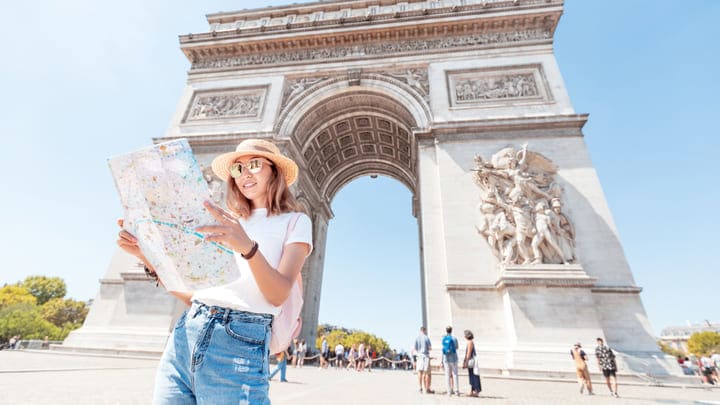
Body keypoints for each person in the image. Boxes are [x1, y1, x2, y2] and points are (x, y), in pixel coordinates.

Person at [116, 138, 313, 404]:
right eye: (237, 169)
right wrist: (147, 256)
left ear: (274, 170)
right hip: (184, 339)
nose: (245, 174)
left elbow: (278, 294)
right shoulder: (221, 220)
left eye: (254, 164)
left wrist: (247, 247)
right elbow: (193, 295)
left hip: (239, 345)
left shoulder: (295, 222)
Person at [441, 326, 460, 396]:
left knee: (447, 375)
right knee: (455, 374)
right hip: (454, 358)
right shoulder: (454, 338)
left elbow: (443, 349)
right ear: (451, 331)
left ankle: (448, 391)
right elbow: (457, 347)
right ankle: (456, 391)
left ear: (446, 331)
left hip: (446, 359)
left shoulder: (444, 338)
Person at [462, 330, 481, 397]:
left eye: (465, 335)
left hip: (471, 361)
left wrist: (466, 362)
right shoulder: (470, 342)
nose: (464, 336)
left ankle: (476, 391)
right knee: (471, 375)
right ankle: (472, 391)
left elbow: (469, 353)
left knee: (473, 375)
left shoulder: (470, 343)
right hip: (472, 360)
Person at [414, 326, 433, 394]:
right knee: (427, 373)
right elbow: (430, 348)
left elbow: (415, 349)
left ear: (420, 330)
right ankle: (427, 389)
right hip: (425, 356)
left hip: (419, 356)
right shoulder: (426, 337)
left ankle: (420, 388)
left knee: (419, 372)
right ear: (425, 330)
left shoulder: (417, 338)